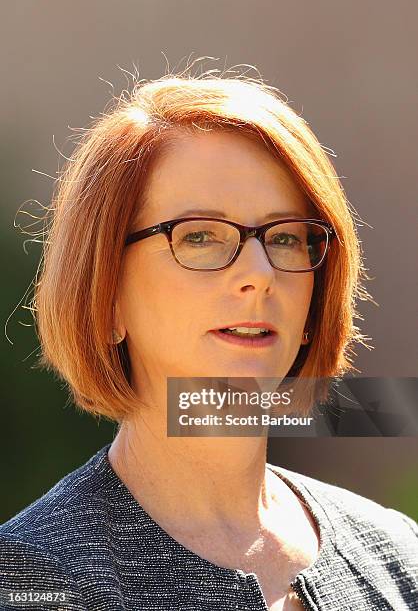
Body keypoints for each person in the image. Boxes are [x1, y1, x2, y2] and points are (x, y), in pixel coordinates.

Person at [1, 68, 417, 611]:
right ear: (104, 294)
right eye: (199, 235)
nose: (261, 272)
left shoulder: (398, 556)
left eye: (286, 237)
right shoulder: (32, 579)